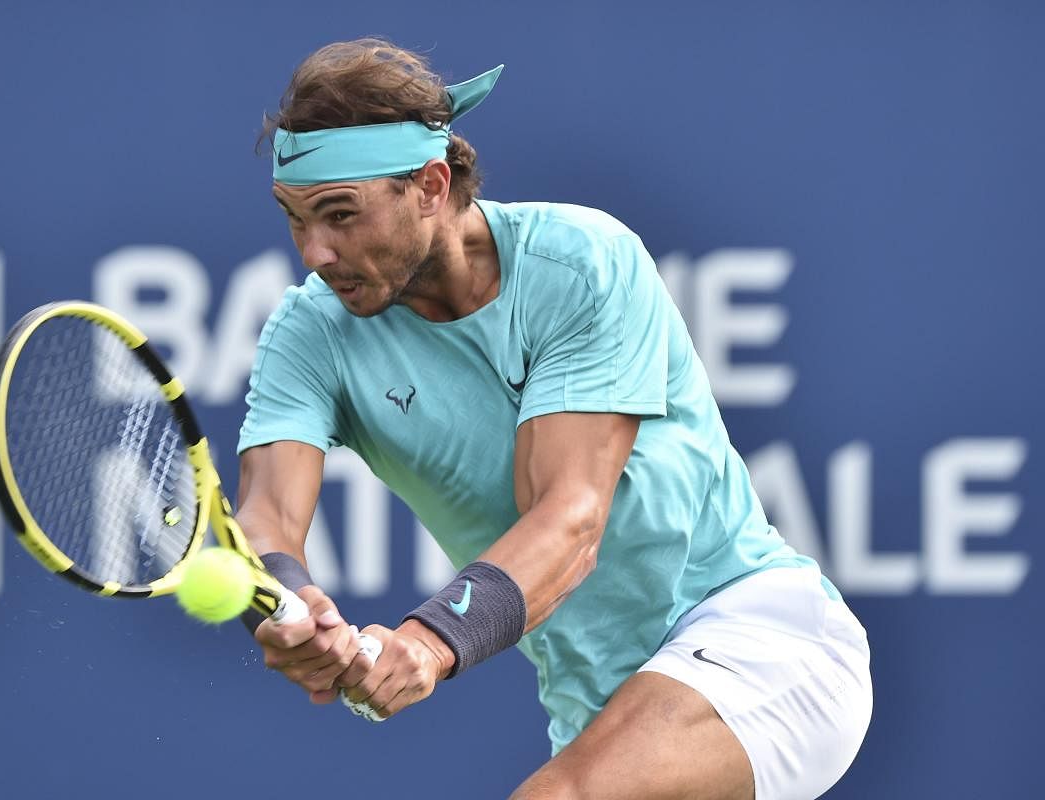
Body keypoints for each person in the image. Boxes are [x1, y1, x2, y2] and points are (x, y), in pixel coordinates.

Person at [235, 38, 872, 800]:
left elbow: (570, 520)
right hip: (595, 710)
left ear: (432, 186)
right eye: (296, 219)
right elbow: (266, 518)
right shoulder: (309, 331)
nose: (315, 252)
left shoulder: (580, 263)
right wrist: (285, 604)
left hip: (759, 638)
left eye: (340, 215)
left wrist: (432, 641)